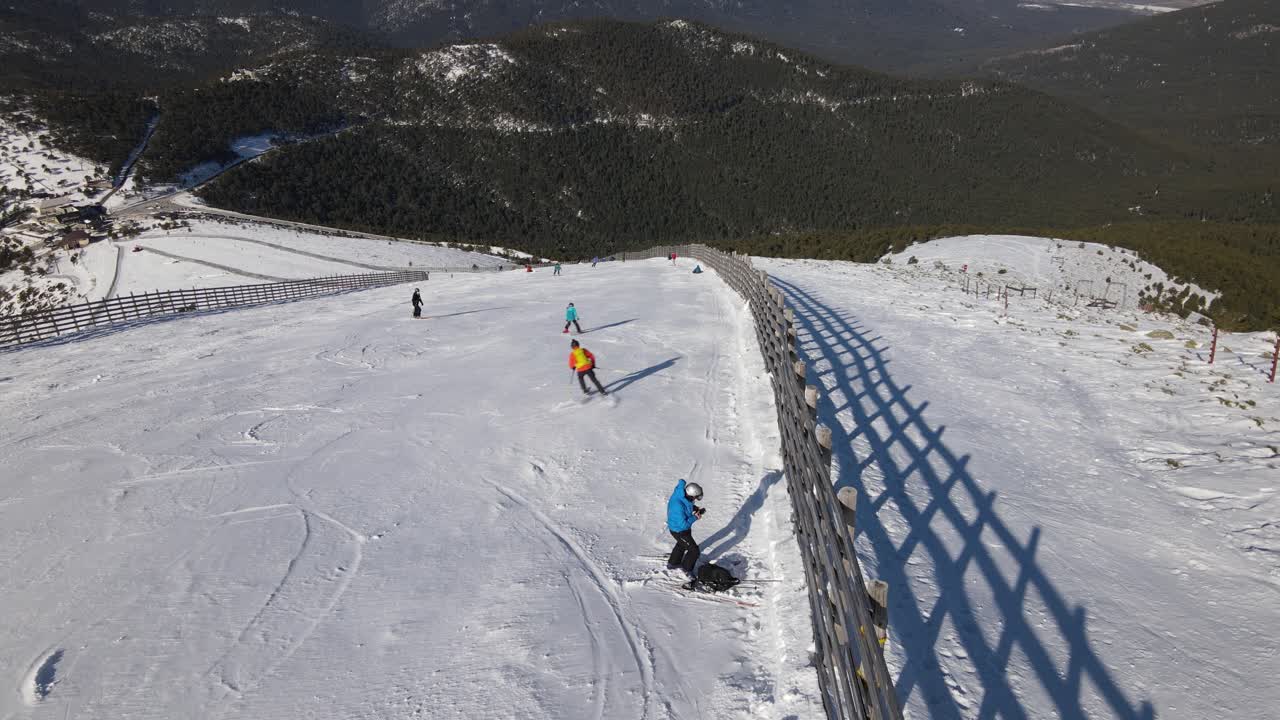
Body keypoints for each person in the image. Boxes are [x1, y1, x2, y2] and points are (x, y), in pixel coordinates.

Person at [666, 480, 705, 575]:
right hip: (679, 530)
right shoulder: (678, 506)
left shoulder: (681, 495)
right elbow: (683, 525)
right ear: (691, 495)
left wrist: (694, 508)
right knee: (694, 551)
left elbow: (687, 504)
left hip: (681, 529)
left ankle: (673, 563)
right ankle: (686, 570)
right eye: (696, 497)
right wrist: (695, 517)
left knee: (682, 544)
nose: (696, 499)